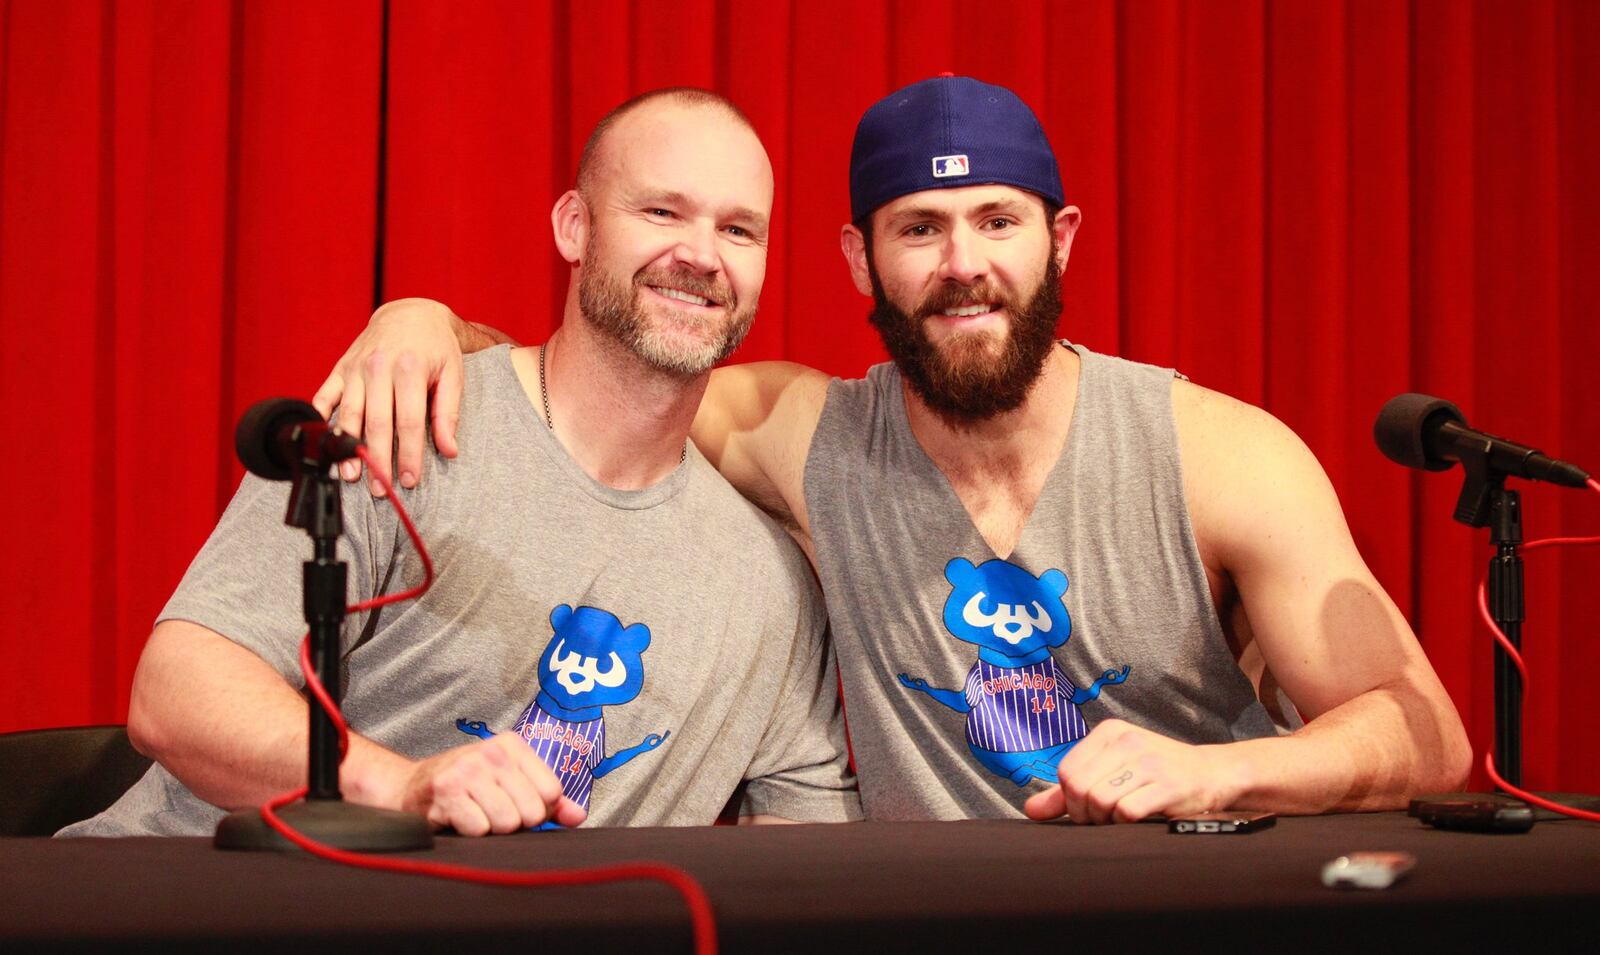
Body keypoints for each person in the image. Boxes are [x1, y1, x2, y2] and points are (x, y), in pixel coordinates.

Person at [314, 76, 1472, 824]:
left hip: (1179, 910)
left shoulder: (1218, 455)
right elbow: (602, 369)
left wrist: (1220, 769)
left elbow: (1425, 731)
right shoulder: (801, 434)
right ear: (862, 263)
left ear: (1059, 241)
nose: (962, 264)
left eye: (997, 222)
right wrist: (422, 319)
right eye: (919, 229)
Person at [60, 88, 861, 838]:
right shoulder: (405, 418)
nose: (702, 254)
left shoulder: (771, 588)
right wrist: (404, 788)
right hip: (182, 905)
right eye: (661, 211)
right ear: (573, 227)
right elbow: (175, 693)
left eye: (739, 229)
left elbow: (804, 862)